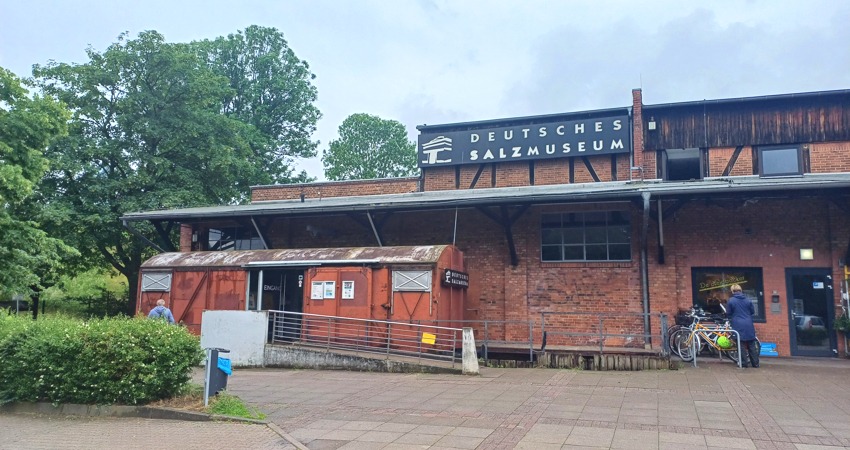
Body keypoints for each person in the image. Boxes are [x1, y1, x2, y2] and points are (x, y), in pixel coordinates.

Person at [726, 284, 759, 368]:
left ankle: (744, 363)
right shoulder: (748, 300)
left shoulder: (731, 300)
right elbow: (752, 312)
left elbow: (728, 313)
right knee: (751, 344)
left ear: (733, 291)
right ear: (740, 290)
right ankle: (755, 364)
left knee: (740, 344)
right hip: (748, 323)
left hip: (737, 324)